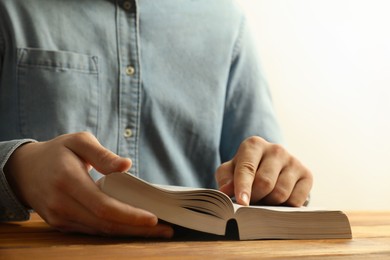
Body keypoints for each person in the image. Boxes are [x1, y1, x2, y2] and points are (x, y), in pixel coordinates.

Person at [0, 0, 313, 238]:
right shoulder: (9, 9)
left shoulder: (226, 20)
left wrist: (278, 178)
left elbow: (263, 174)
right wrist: (15, 170)